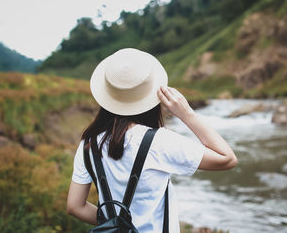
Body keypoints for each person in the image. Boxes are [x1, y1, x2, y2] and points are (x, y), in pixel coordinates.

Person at [66, 48, 237, 232]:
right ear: (152, 95)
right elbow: (227, 158)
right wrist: (186, 113)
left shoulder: (89, 143)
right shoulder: (160, 142)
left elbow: (75, 207)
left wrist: (116, 225)